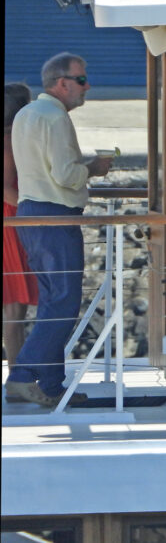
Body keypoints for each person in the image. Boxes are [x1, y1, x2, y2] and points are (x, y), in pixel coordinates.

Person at [4, 53, 112, 407]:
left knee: (53, 302)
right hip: (55, 216)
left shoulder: (26, 114)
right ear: (61, 83)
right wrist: (93, 168)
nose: (87, 86)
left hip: (30, 215)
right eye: (81, 80)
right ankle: (22, 377)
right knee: (63, 302)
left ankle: (50, 384)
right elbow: (66, 175)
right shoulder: (55, 117)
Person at [3, 83, 38, 371]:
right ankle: (17, 375)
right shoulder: (7, 142)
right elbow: (4, 189)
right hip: (11, 222)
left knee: (15, 306)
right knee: (14, 305)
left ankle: (19, 373)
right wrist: (34, 210)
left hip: (14, 220)